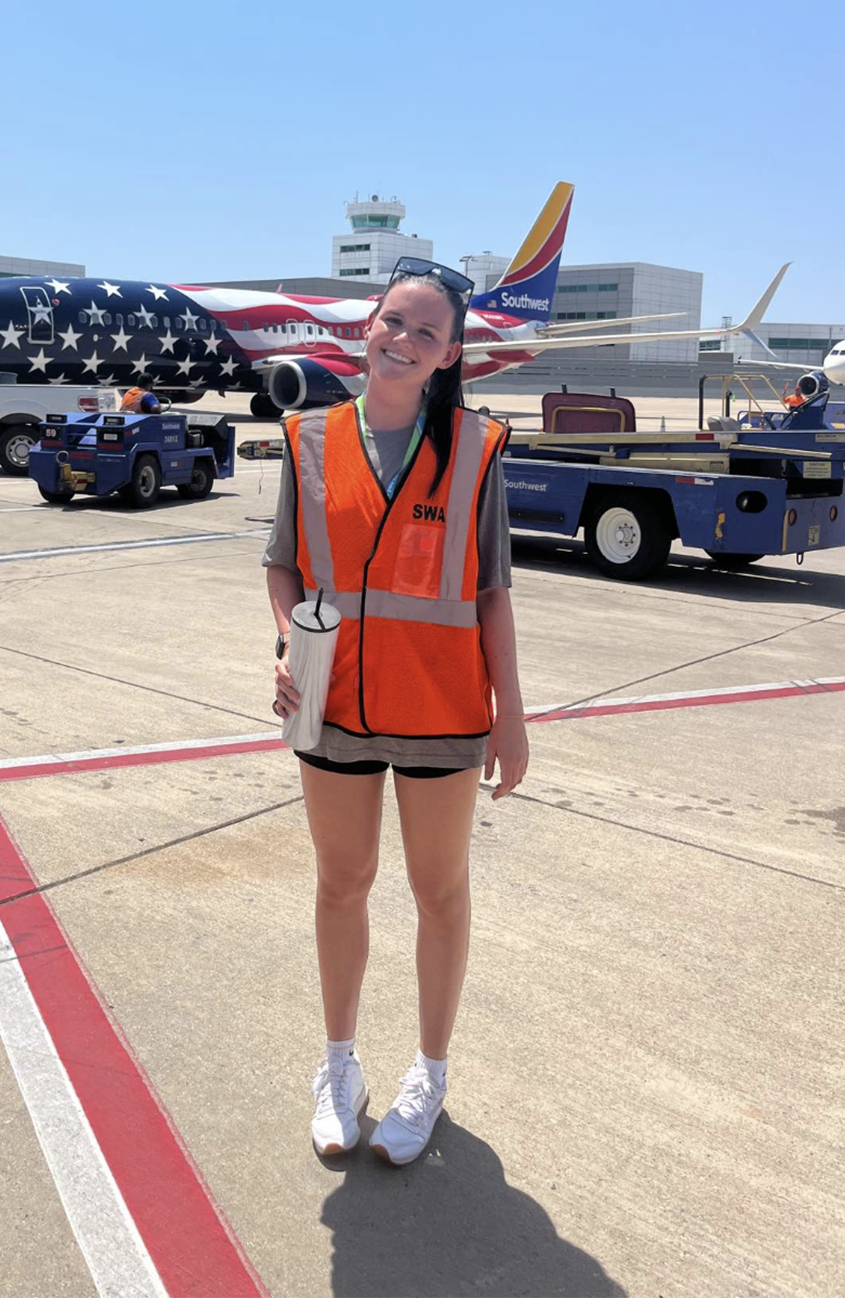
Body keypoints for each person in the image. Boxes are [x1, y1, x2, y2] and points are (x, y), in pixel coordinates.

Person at [264, 257, 529, 1167]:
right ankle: (338, 1065)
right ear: (365, 328)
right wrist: (289, 646)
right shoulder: (307, 439)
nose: (404, 340)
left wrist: (513, 715)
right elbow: (285, 566)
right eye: (393, 321)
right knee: (342, 884)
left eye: (427, 331)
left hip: (443, 705)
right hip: (329, 701)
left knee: (437, 891)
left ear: (450, 353)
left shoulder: (476, 448)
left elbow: (491, 589)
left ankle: (431, 1070)